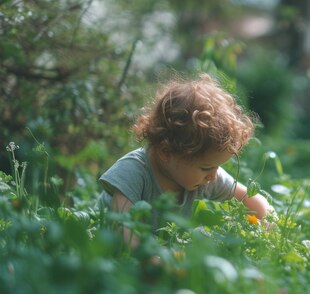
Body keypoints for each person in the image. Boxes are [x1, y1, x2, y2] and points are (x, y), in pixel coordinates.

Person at [99, 73, 273, 247]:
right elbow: (120, 228)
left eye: (217, 166)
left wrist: (270, 226)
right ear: (166, 152)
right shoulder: (133, 171)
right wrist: (151, 261)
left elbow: (251, 200)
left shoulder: (205, 177)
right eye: (206, 167)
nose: (213, 175)